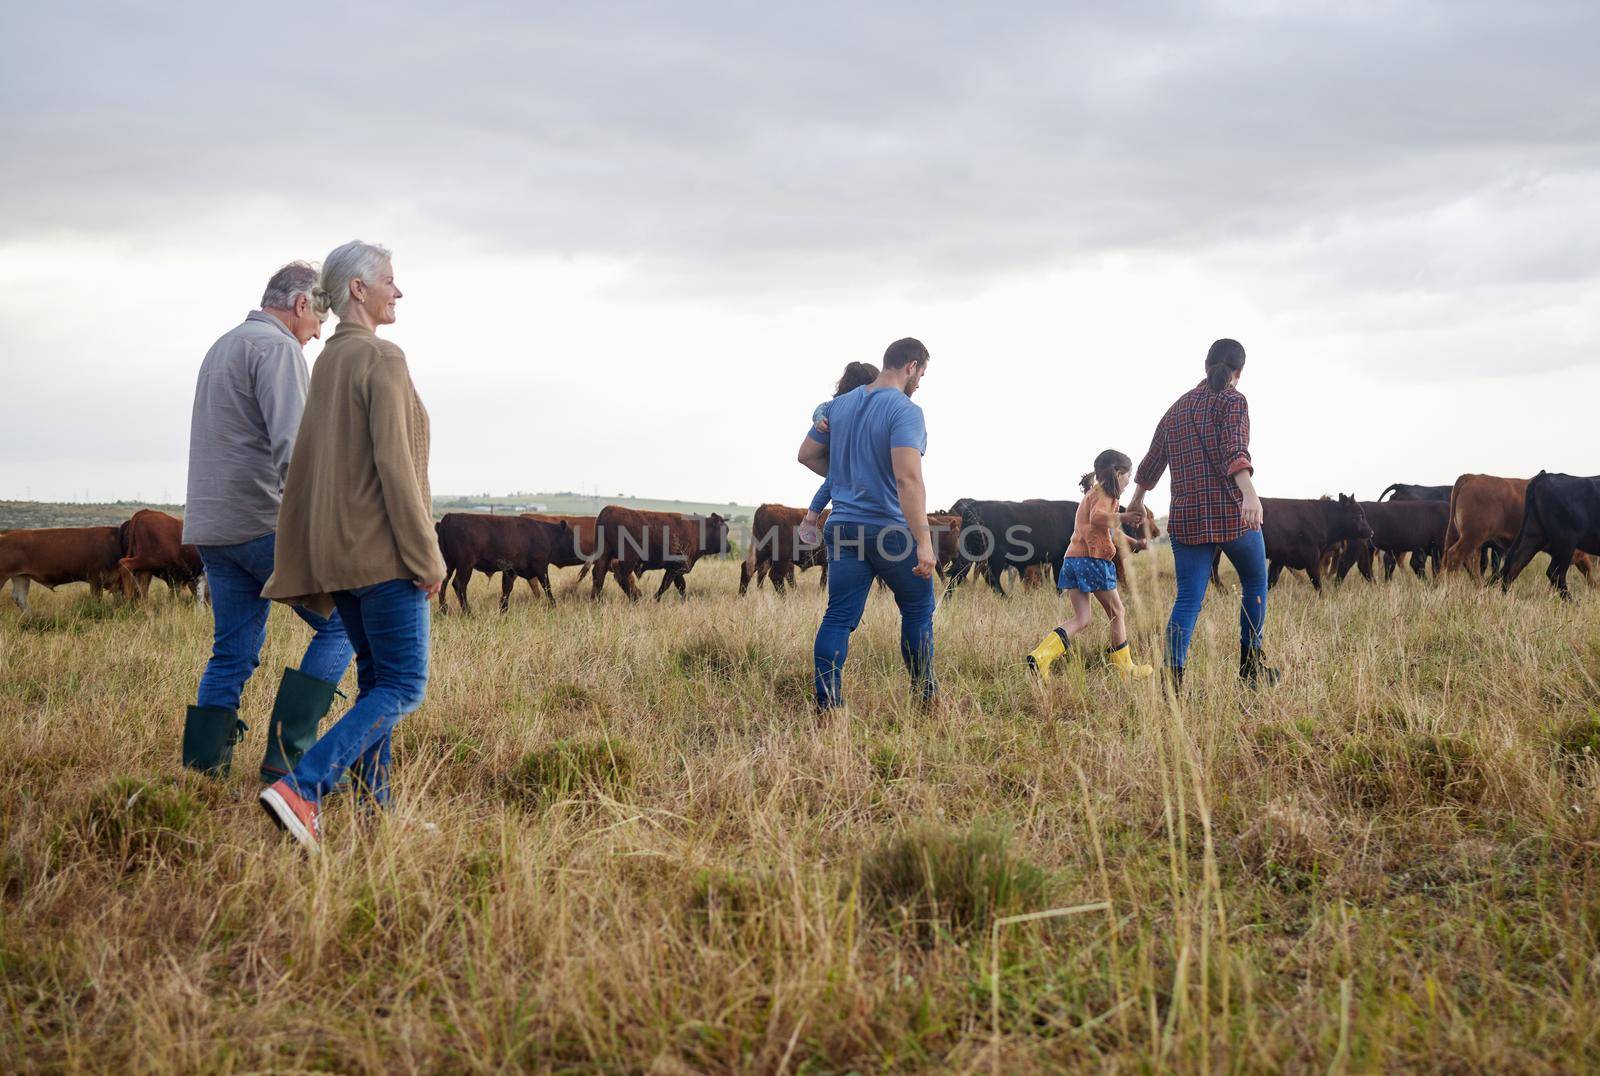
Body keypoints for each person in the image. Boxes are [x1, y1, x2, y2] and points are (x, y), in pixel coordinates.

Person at [258, 241, 446, 852]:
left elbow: (317, 467)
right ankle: (303, 787)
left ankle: (376, 812)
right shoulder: (381, 358)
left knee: (374, 684)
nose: (400, 292)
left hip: (341, 559)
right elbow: (395, 468)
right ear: (359, 290)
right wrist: (428, 557)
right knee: (404, 686)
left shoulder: (328, 361)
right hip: (385, 557)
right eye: (390, 281)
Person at [181, 263, 355, 780]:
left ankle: (203, 767)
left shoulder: (223, 345)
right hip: (262, 522)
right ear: (302, 304)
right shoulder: (278, 349)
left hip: (212, 528)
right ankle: (289, 758)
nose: (319, 332)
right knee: (350, 621)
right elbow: (294, 450)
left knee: (232, 650)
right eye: (320, 318)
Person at [1124, 339, 1277, 687]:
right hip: (1231, 514)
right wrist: (1250, 496)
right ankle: (1251, 669)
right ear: (1240, 372)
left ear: (1205, 365)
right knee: (1255, 581)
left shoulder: (1177, 408)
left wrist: (1136, 500)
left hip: (1187, 518)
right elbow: (1235, 449)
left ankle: (1172, 682)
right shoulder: (1233, 401)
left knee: (1189, 598)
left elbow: (1152, 461)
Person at [799, 338, 935, 710]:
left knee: (839, 616)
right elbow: (908, 480)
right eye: (922, 374)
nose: (920, 382)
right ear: (910, 366)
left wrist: (848, 478)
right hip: (889, 529)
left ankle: (828, 707)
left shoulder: (839, 406)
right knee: (918, 609)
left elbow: (806, 455)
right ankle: (925, 698)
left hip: (842, 526)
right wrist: (923, 542)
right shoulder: (905, 411)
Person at [1026, 450, 1154, 681]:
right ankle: (1125, 669)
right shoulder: (1106, 494)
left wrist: (1136, 543)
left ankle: (1041, 656)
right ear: (1117, 473)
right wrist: (1126, 517)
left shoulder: (1094, 493)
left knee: (1082, 619)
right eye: (1128, 476)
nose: (1128, 481)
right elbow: (1098, 518)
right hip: (1092, 561)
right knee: (1117, 612)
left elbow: (1107, 530)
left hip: (1073, 560)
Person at [797, 361, 879, 546]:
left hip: (842, 464)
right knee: (832, 481)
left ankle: (811, 518)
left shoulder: (837, 407)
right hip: (850, 464)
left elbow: (821, 408)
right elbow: (822, 408)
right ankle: (810, 519)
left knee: (831, 482)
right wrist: (819, 419)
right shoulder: (842, 407)